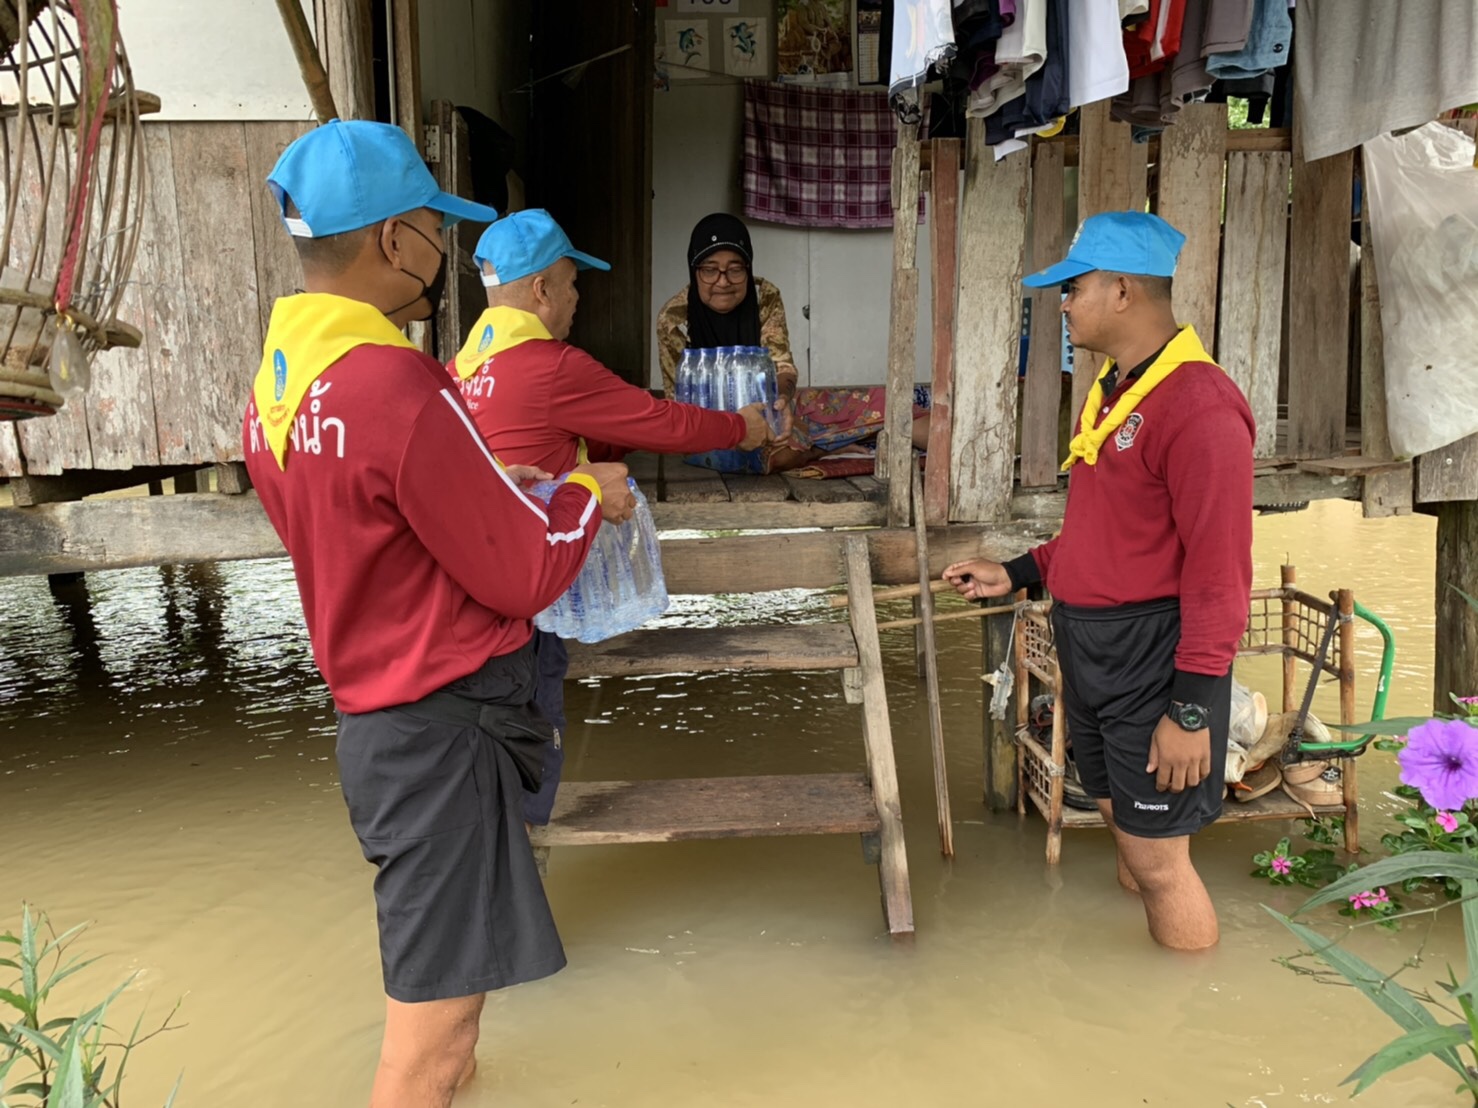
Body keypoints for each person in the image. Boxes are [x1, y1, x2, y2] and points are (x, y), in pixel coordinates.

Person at [243, 120, 633, 1108]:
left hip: (384, 725)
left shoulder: (277, 389)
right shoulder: (397, 382)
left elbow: (362, 529)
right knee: (430, 1044)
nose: (443, 251)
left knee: (452, 1034)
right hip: (442, 736)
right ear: (392, 240)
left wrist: (488, 480)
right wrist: (584, 491)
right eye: (433, 228)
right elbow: (525, 574)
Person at [943, 211, 1254, 952]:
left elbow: (1220, 574)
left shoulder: (1200, 405)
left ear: (1121, 291)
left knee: (1160, 863)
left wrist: (1190, 712)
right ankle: (1138, 988)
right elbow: (1104, 532)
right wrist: (1016, 573)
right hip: (1092, 649)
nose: (1062, 303)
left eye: (1073, 288)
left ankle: (1188, 1006)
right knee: (1124, 827)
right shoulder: (1117, 390)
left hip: (1151, 654)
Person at [450, 208, 779, 827]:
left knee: (489, 743)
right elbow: (660, 421)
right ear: (542, 289)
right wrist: (739, 426)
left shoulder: (457, 373)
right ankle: (523, 850)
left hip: (473, 593)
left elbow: (569, 435)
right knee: (534, 732)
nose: (578, 299)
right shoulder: (552, 366)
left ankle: (500, 846)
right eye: (572, 283)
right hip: (528, 596)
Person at [657, 213, 931, 473]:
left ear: (748, 268)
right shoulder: (674, 319)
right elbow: (677, 405)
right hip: (711, 430)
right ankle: (825, 448)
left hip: (771, 406)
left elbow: (782, 367)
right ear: (693, 269)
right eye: (709, 270)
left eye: (735, 269)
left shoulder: (764, 296)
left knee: (884, 404)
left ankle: (939, 455)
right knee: (778, 453)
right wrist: (738, 426)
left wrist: (781, 402)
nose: (723, 281)